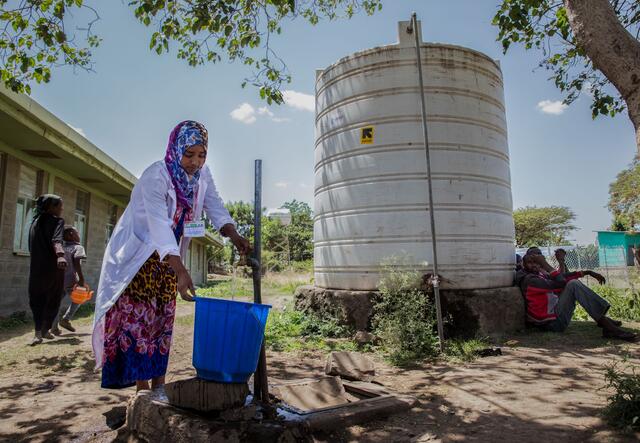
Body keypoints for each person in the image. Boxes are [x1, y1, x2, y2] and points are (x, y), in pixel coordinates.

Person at [92, 120, 250, 392]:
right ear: (176, 149)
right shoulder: (156, 176)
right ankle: (143, 392)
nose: (195, 162)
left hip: (169, 260)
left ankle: (160, 386)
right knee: (140, 324)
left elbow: (215, 207)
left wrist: (235, 237)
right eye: (189, 154)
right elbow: (159, 226)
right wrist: (181, 270)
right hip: (140, 260)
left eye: (201, 155)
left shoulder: (202, 177)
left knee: (162, 323)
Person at [515, 254, 635, 341]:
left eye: (537, 262)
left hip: (555, 317)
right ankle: (606, 325)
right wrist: (545, 264)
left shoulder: (539, 275)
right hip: (551, 324)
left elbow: (563, 276)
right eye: (530, 262)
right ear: (523, 264)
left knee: (573, 284)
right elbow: (561, 282)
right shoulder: (531, 281)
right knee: (573, 285)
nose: (534, 265)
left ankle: (604, 321)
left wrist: (587, 272)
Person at [28, 194, 67, 346]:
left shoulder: (34, 222)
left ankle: (39, 332)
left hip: (36, 268)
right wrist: (60, 256)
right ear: (51, 207)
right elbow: (57, 240)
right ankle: (45, 329)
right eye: (59, 205)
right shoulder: (58, 221)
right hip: (54, 268)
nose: (62, 208)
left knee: (37, 299)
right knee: (53, 298)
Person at [51, 225, 86, 334]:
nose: (79, 235)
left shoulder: (60, 248)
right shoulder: (78, 247)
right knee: (79, 299)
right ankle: (66, 319)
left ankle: (54, 328)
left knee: (55, 303)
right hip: (71, 280)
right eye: (77, 233)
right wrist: (81, 278)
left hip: (58, 280)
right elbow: (76, 262)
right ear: (71, 235)